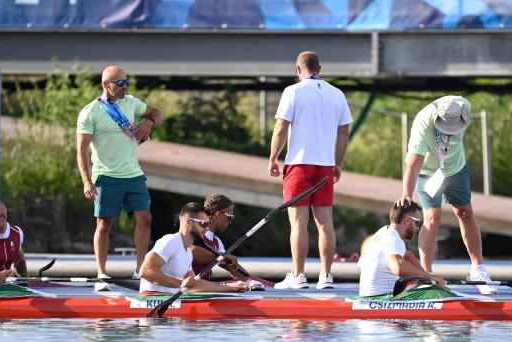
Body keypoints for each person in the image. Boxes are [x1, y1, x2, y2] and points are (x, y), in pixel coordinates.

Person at [268, 51, 353, 290]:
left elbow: (281, 127)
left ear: (298, 69)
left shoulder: (292, 92)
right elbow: (343, 133)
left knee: (298, 223)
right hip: (325, 166)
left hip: (298, 164)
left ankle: (299, 275)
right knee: (325, 223)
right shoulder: (337, 94)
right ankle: (326, 276)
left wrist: (273, 158)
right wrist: (338, 163)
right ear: (320, 68)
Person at [396, 95, 496, 294]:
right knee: (432, 218)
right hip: (428, 171)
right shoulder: (423, 124)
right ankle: (426, 275)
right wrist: (407, 194)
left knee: (465, 212)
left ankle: (477, 270)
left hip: (456, 167)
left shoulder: (464, 106)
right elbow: (413, 166)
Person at [76, 65, 163, 290]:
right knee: (104, 224)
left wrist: (148, 122)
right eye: (121, 83)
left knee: (145, 217)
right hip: (105, 175)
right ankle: (102, 274)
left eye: (127, 82)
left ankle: (140, 270)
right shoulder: (90, 111)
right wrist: (86, 180)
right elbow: (81, 150)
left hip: (133, 174)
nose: (125, 86)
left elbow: (157, 113)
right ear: (106, 85)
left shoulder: (131, 103)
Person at [139, 202, 247, 294]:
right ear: (189, 222)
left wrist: (230, 288)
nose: (206, 229)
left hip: (171, 301)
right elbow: (145, 271)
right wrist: (181, 283)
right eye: (203, 224)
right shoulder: (170, 241)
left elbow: (196, 284)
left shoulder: (187, 252)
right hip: (151, 298)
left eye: (207, 223)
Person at [358, 200, 446, 296]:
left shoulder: (382, 233)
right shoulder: (393, 237)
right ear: (407, 220)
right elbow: (398, 267)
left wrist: (429, 279)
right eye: (417, 223)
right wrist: (429, 277)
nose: (417, 228)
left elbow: (407, 255)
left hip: (368, 297)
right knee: (436, 295)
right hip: (381, 300)